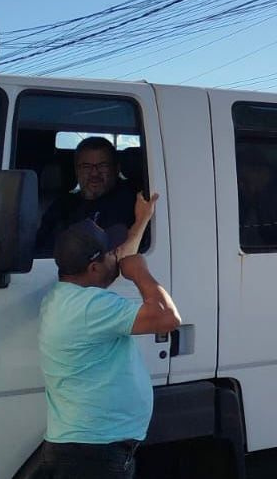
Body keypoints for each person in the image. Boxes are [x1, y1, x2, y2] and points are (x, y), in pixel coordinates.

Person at [38, 194, 179, 478]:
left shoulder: (65, 296)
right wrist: (140, 273)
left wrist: (141, 222)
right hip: (93, 454)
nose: (115, 257)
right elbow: (167, 318)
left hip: (84, 447)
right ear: (93, 268)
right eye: (109, 254)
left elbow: (116, 260)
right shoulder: (89, 308)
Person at [36, 137, 138, 254]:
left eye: (102, 165)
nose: (94, 173)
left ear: (116, 169)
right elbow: (41, 247)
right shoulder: (62, 206)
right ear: (76, 170)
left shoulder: (130, 203)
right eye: (86, 166)